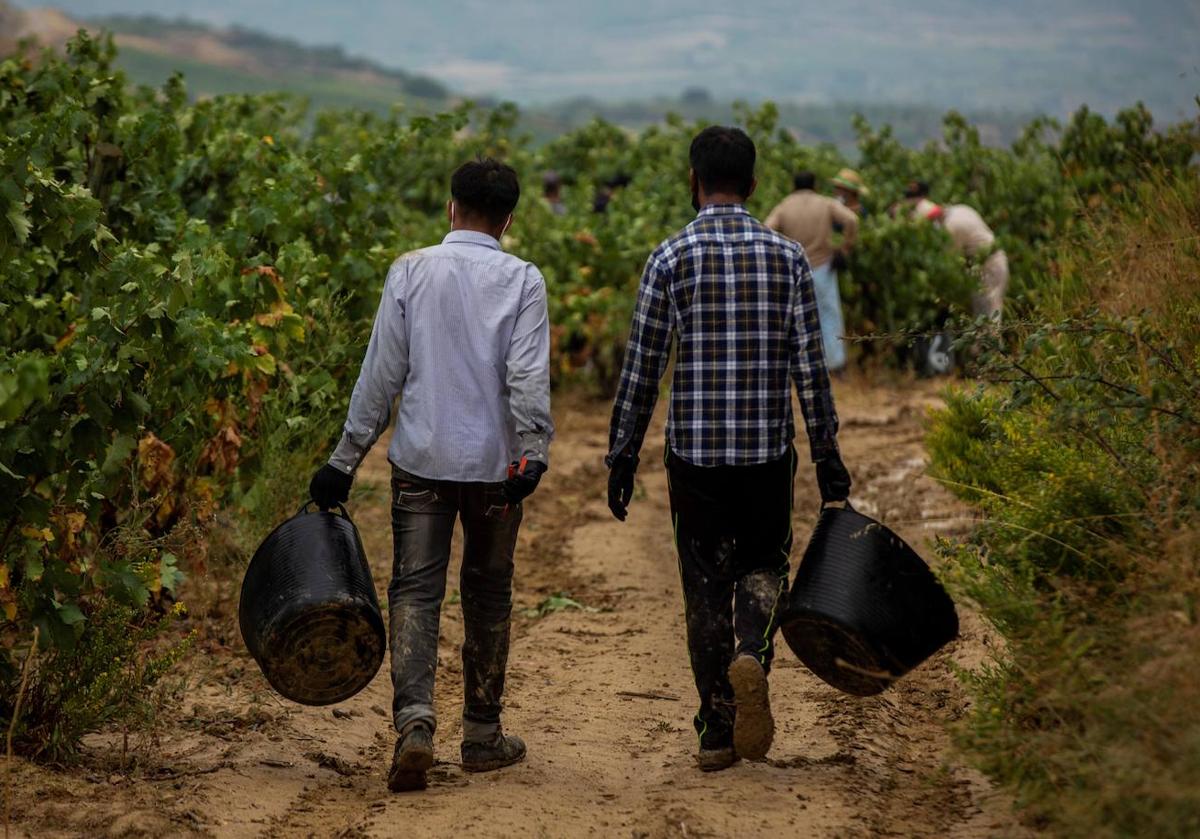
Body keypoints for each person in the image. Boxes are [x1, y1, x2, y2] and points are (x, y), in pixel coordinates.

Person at [605, 126, 852, 772]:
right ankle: (752, 647)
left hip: (695, 460)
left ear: (695, 181)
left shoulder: (669, 257)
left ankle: (716, 729)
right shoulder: (788, 259)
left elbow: (642, 370)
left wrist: (622, 455)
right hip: (767, 456)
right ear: (752, 185)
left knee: (704, 584)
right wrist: (827, 456)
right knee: (765, 563)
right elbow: (810, 369)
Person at [308, 158, 554, 793]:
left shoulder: (410, 271)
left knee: (415, 591)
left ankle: (415, 725)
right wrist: (532, 449)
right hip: (499, 471)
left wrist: (344, 459)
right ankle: (481, 735)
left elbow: (380, 376)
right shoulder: (523, 279)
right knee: (488, 593)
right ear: (509, 220)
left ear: (451, 208)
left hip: (420, 460)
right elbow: (526, 375)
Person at [765, 171, 859, 372]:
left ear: (794, 186)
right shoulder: (825, 203)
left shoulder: (784, 206)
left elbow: (766, 229)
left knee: (794, 319)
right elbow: (851, 220)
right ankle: (835, 365)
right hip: (822, 266)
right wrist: (845, 247)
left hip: (794, 270)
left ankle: (798, 366)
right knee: (828, 315)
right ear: (814, 185)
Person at [904, 181, 1010, 321]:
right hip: (988, 265)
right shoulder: (958, 209)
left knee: (988, 323)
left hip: (988, 269)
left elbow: (947, 266)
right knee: (983, 323)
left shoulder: (950, 228)